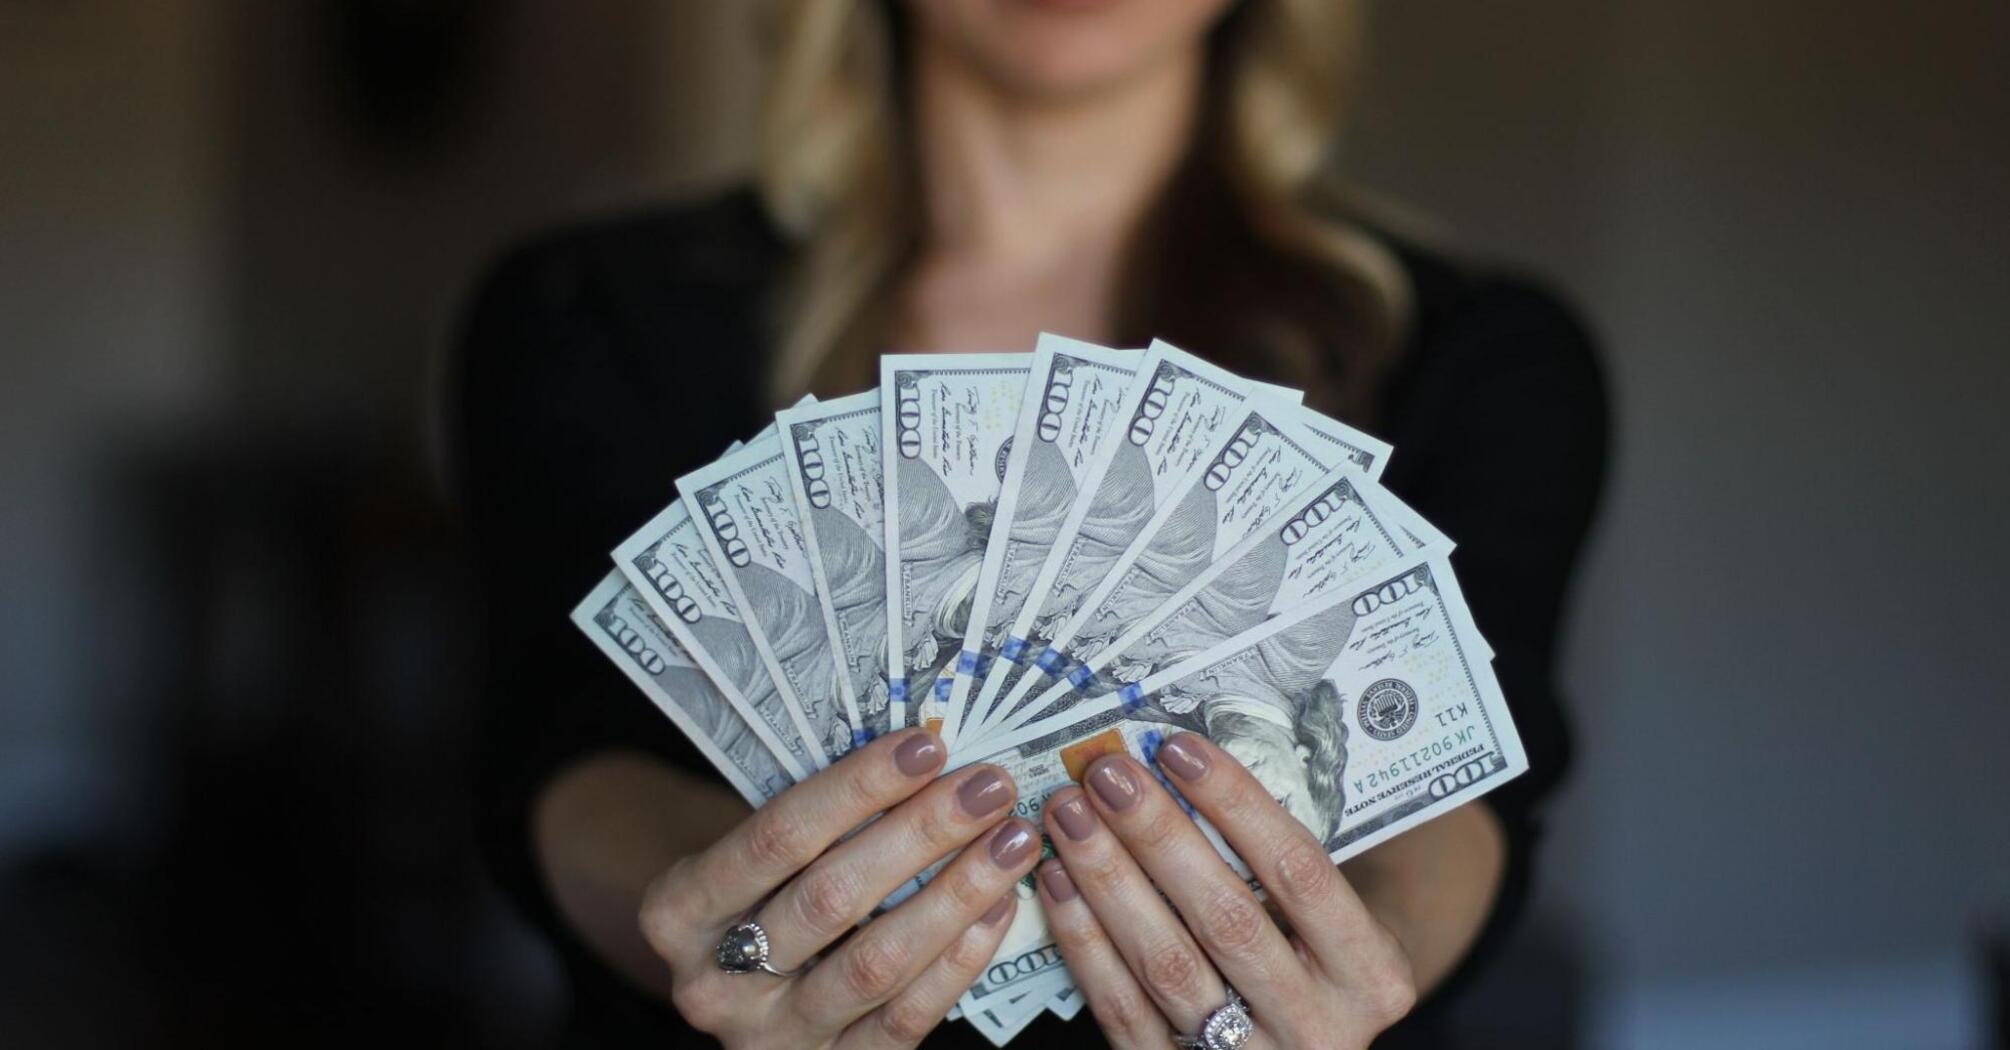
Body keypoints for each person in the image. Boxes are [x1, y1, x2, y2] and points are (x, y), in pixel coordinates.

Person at [450, 0, 1607, 1046]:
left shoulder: (1479, 359)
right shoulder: (585, 319)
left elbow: (1468, 786)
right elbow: (564, 753)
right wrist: (745, 921)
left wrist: (1364, 955)